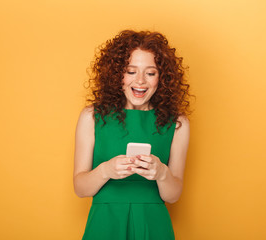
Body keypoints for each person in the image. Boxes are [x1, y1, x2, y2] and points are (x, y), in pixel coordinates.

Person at [73, 29, 191, 240]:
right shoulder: (91, 116)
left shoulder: (178, 123)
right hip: (105, 223)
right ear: (117, 74)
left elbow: (173, 196)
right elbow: (80, 189)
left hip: (153, 224)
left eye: (150, 73)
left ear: (162, 78)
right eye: (130, 71)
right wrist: (106, 170)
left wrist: (161, 173)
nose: (140, 81)